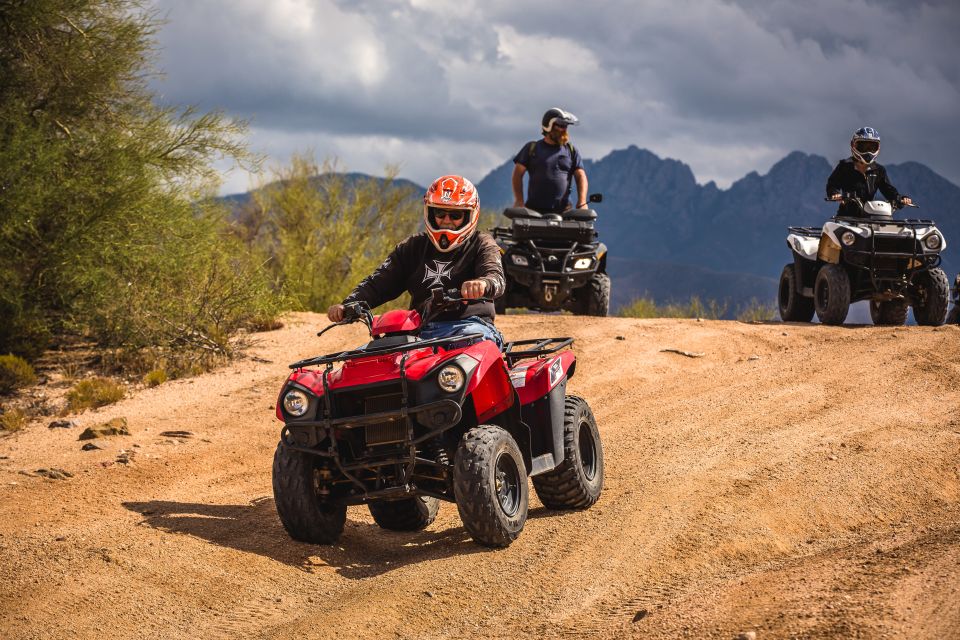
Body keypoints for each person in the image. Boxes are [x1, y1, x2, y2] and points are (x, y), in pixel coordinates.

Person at [327, 175, 506, 348]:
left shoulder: (482, 243)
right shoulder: (412, 246)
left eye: (455, 215)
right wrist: (347, 304)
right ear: (430, 212)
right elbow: (378, 284)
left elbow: (496, 277)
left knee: (473, 347)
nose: (446, 221)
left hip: (470, 327)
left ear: (469, 216)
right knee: (368, 360)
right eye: (440, 213)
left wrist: (483, 283)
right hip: (419, 331)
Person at [512, 107, 588, 214]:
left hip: (564, 213)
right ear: (548, 126)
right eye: (561, 126)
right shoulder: (532, 148)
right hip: (533, 213)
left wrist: (582, 202)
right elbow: (517, 174)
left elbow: (581, 176)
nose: (564, 129)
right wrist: (519, 201)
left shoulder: (571, 151)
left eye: (566, 126)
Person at [826, 127, 912, 216]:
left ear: (878, 148)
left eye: (872, 147)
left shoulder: (879, 170)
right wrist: (834, 194)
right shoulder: (844, 166)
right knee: (837, 229)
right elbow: (832, 184)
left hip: (871, 216)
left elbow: (888, 190)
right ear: (853, 145)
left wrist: (901, 199)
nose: (868, 151)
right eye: (863, 146)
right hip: (846, 217)